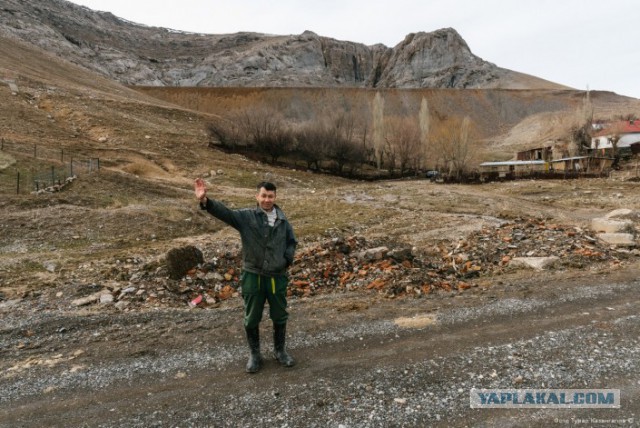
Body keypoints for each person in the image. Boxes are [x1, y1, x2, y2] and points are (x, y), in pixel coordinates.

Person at [194, 178, 297, 373]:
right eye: (263, 196)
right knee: (252, 317)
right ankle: (255, 355)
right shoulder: (246, 217)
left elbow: (292, 242)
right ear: (257, 197)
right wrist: (205, 201)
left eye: (270, 196)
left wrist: (286, 260)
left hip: (276, 276)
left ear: (275, 197)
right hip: (253, 276)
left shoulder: (283, 221)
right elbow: (226, 214)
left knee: (280, 315)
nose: (267, 199)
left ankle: (280, 351)